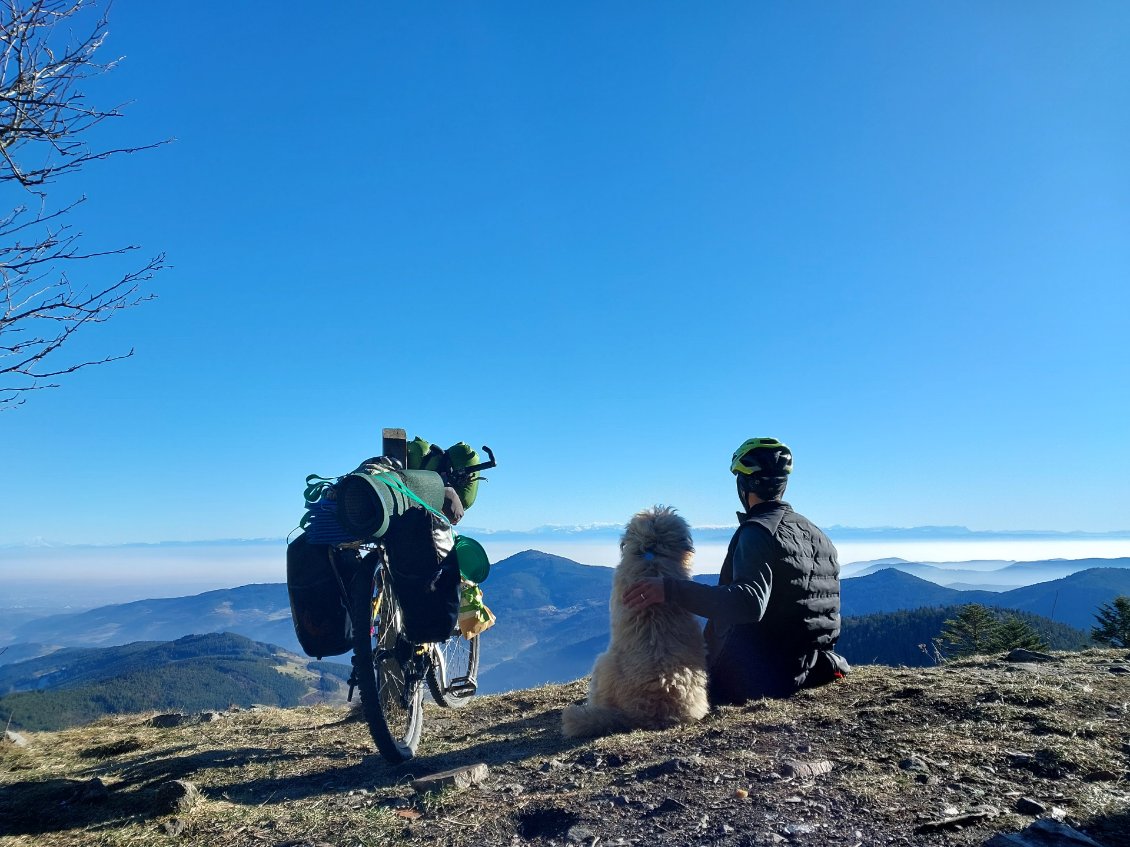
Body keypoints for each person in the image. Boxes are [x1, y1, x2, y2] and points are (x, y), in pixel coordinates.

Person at [623, 438, 849, 703]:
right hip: (811, 668)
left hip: (758, 677)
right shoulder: (818, 535)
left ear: (743, 485)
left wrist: (670, 589)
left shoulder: (758, 531)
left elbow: (749, 603)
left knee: (647, 688)